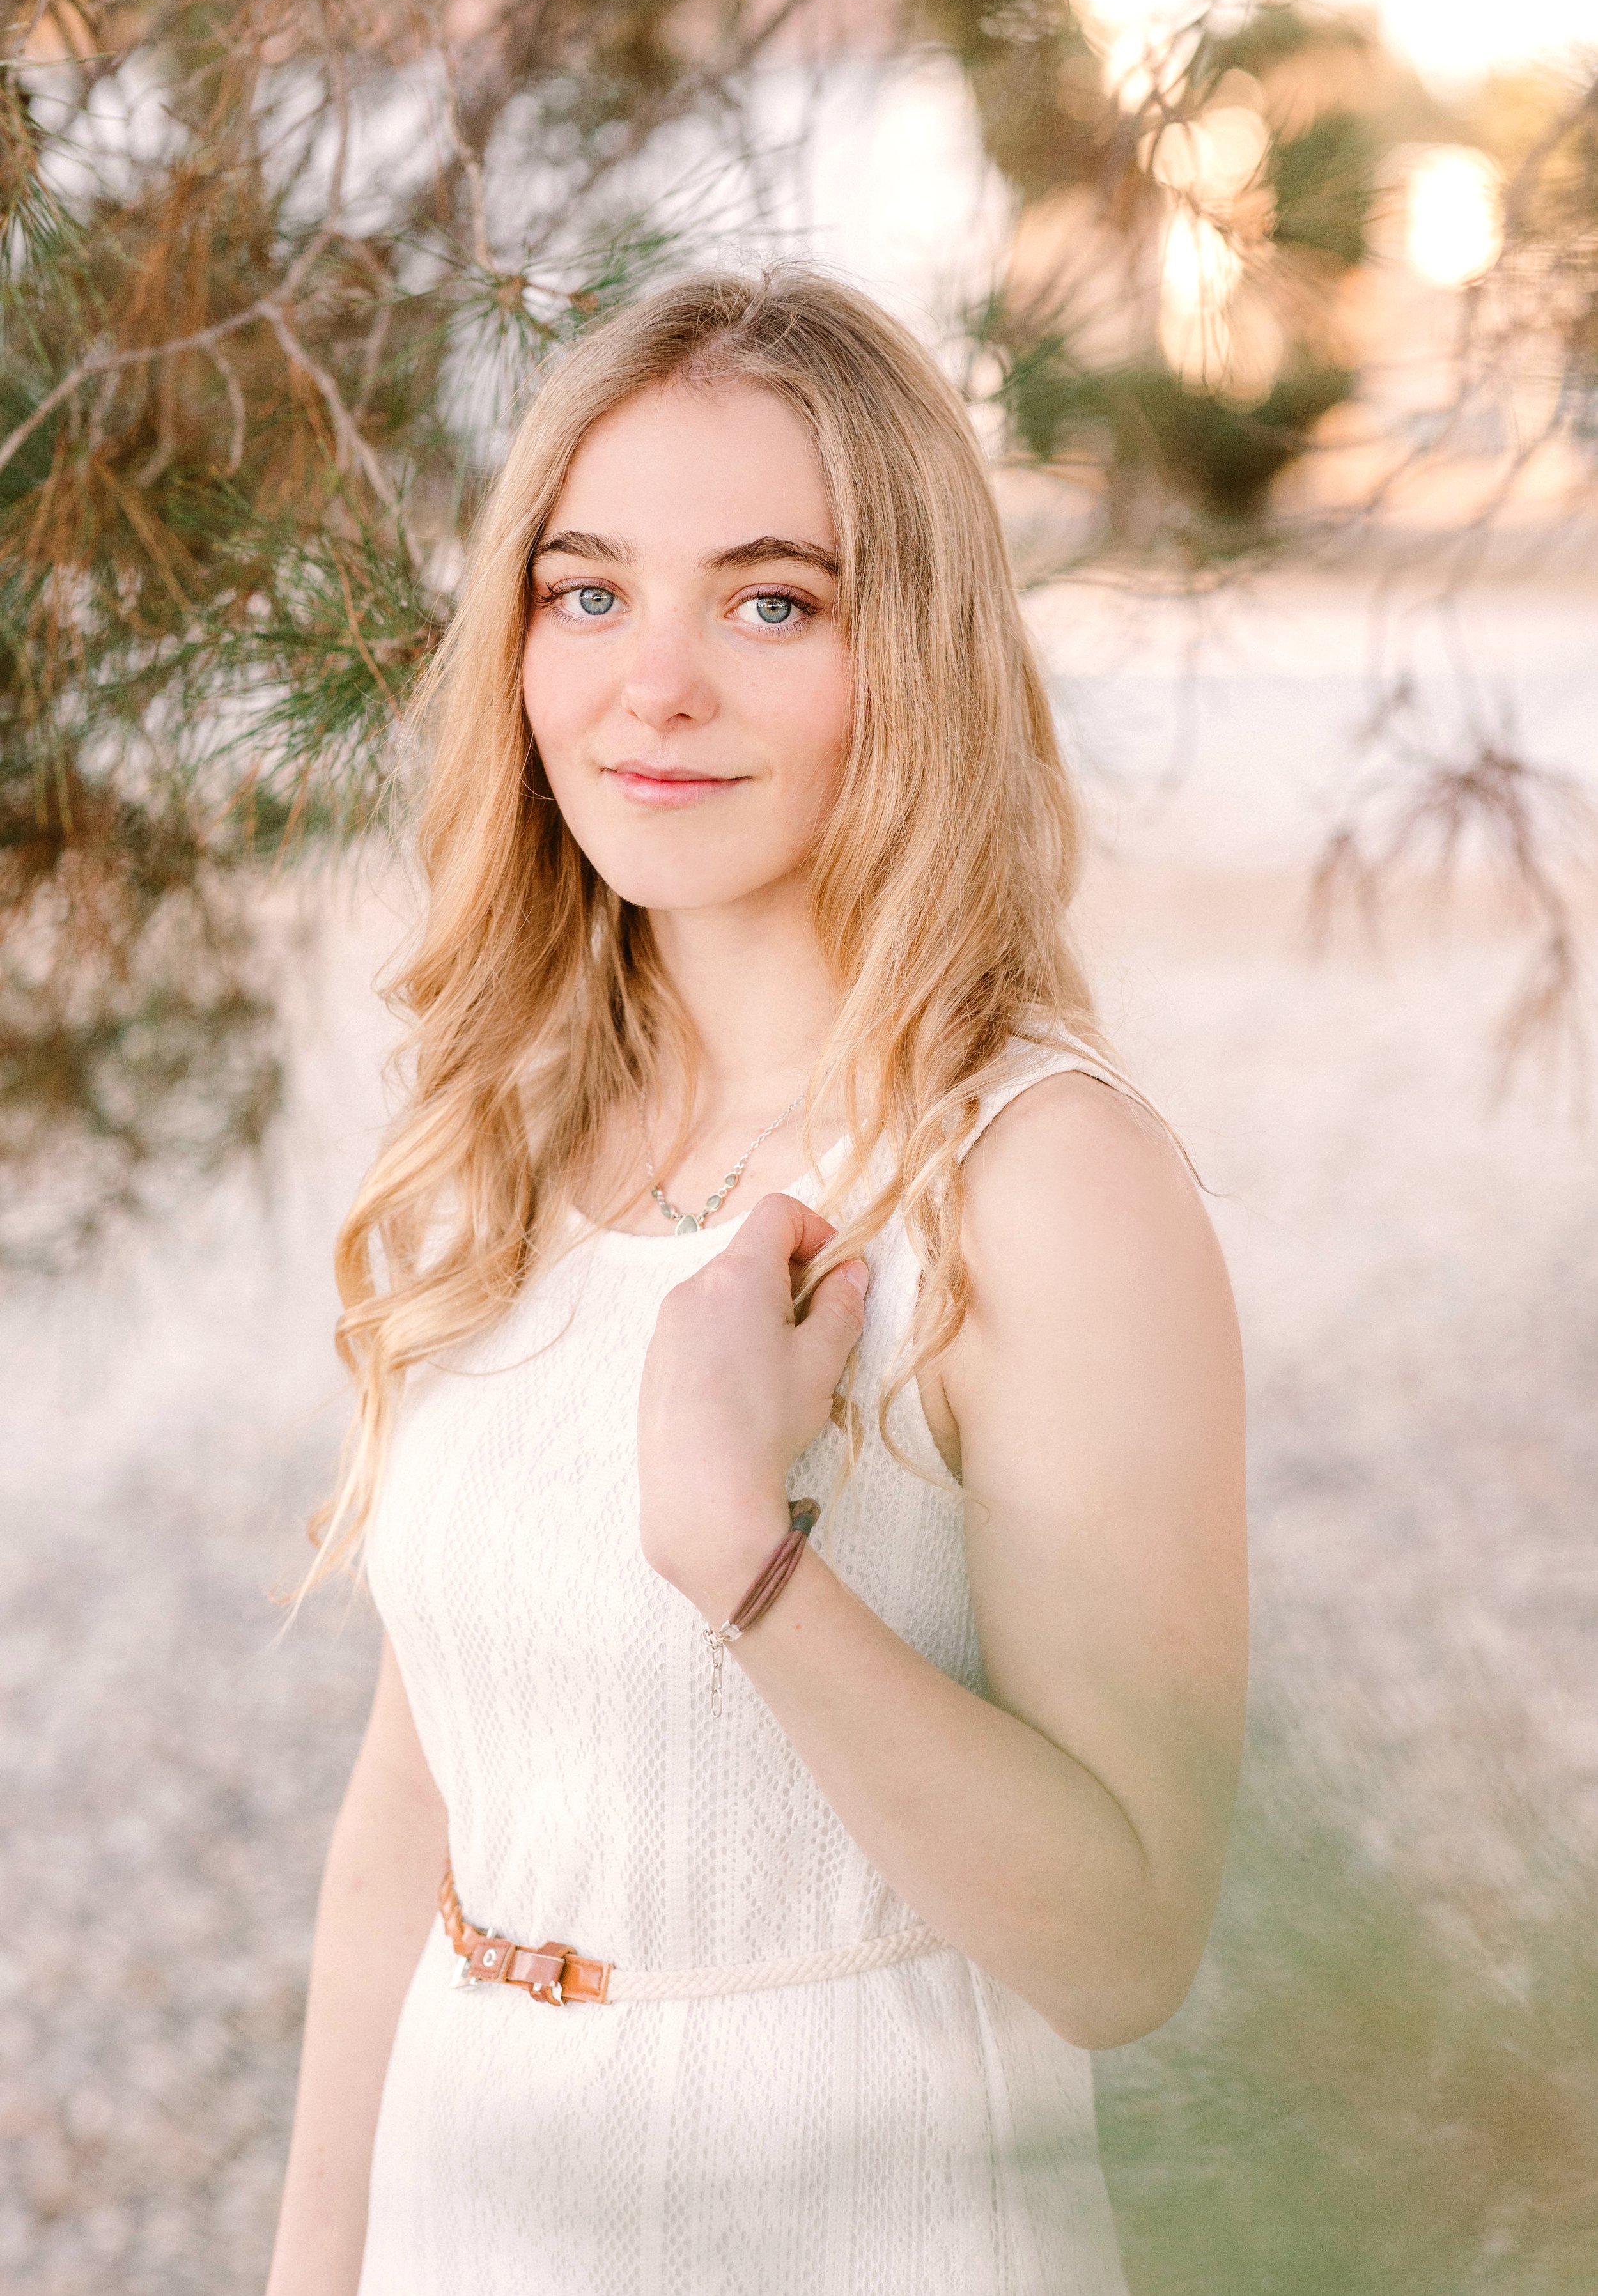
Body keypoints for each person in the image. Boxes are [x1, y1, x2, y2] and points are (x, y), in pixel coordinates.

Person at [265, 268, 1248, 2296]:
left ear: (918, 657)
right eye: (589, 591)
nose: (654, 687)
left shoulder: (1040, 1182)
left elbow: (1124, 1947)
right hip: (475, 2208)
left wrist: (751, 1562)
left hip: (851, 2221)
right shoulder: (510, 1122)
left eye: (771, 599)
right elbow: (414, 1793)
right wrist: (318, 2262)